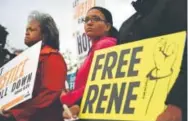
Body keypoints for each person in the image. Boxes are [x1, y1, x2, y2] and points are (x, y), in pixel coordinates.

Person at [118, 0, 186, 121]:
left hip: (171, 108)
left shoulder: (177, 5)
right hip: (136, 109)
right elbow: (113, 73)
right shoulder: (126, 25)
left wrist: (176, 104)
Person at [0, 11, 67, 121]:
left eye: (32, 29)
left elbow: (49, 94)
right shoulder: (22, 60)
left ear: (44, 35)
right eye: (26, 29)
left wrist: (17, 114)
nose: (26, 32)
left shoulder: (52, 57)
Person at [61, 6, 118, 119]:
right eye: (86, 20)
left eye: (95, 19)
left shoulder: (105, 44)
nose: (89, 23)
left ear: (107, 26)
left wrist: (67, 97)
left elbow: (99, 84)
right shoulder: (95, 48)